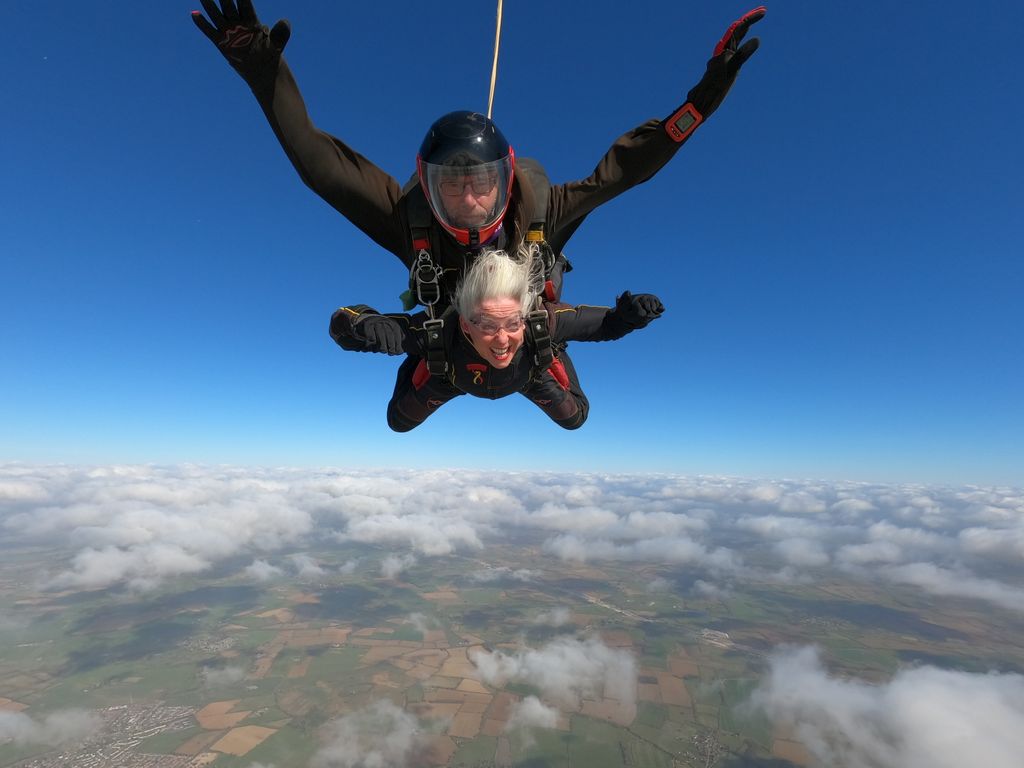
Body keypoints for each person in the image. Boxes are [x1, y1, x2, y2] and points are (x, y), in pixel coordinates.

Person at [191, 1, 766, 303]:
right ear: (428, 183)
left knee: (559, 394)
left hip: (526, 324)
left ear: (505, 178)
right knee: (408, 408)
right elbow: (320, 167)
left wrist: (700, 103)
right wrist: (266, 77)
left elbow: (627, 171)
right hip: (450, 329)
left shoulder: (541, 210)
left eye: (480, 182)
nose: (467, 197)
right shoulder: (408, 218)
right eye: (450, 184)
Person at [329, 248, 664, 431]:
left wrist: (628, 318)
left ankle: (553, 279)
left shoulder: (541, 324)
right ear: (465, 323)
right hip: (449, 375)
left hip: (531, 374)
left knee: (575, 418)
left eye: (512, 322)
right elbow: (343, 327)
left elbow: (603, 326)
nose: (502, 339)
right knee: (398, 422)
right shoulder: (439, 330)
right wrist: (365, 324)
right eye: (487, 323)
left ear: (524, 316)